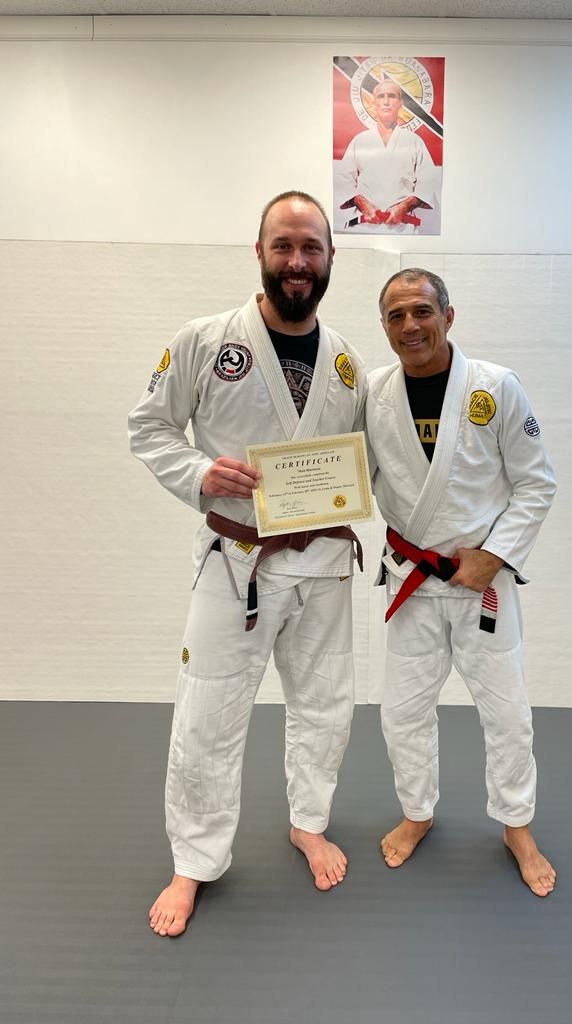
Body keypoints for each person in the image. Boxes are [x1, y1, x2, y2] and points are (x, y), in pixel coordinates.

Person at [128, 191, 367, 937]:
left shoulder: (349, 362)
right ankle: (194, 860)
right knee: (208, 709)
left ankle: (308, 821)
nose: (298, 262)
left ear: (331, 259)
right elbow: (150, 427)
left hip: (324, 561)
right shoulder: (205, 339)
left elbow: (362, 464)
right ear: (260, 252)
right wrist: (200, 474)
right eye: (284, 246)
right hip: (237, 561)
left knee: (326, 704)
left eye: (312, 248)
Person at [365, 268, 558, 897]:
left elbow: (536, 483)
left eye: (422, 311)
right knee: (401, 714)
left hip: (481, 585)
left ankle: (517, 825)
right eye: (396, 315)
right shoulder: (372, 393)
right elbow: (342, 473)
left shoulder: (495, 387)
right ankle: (418, 811)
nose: (410, 325)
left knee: (507, 714)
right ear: (386, 327)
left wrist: (495, 555)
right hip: (412, 582)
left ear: (450, 316)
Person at [335, 79, 438, 233]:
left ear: (400, 103)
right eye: (381, 96)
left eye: (392, 96)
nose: (386, 101)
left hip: (403, 228)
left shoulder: (414, 141)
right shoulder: (360, 140)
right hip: (363, 226)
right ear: (374, 102)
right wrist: (362, 203)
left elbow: (428, 181)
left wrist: (404, 206)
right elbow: (343, 179)